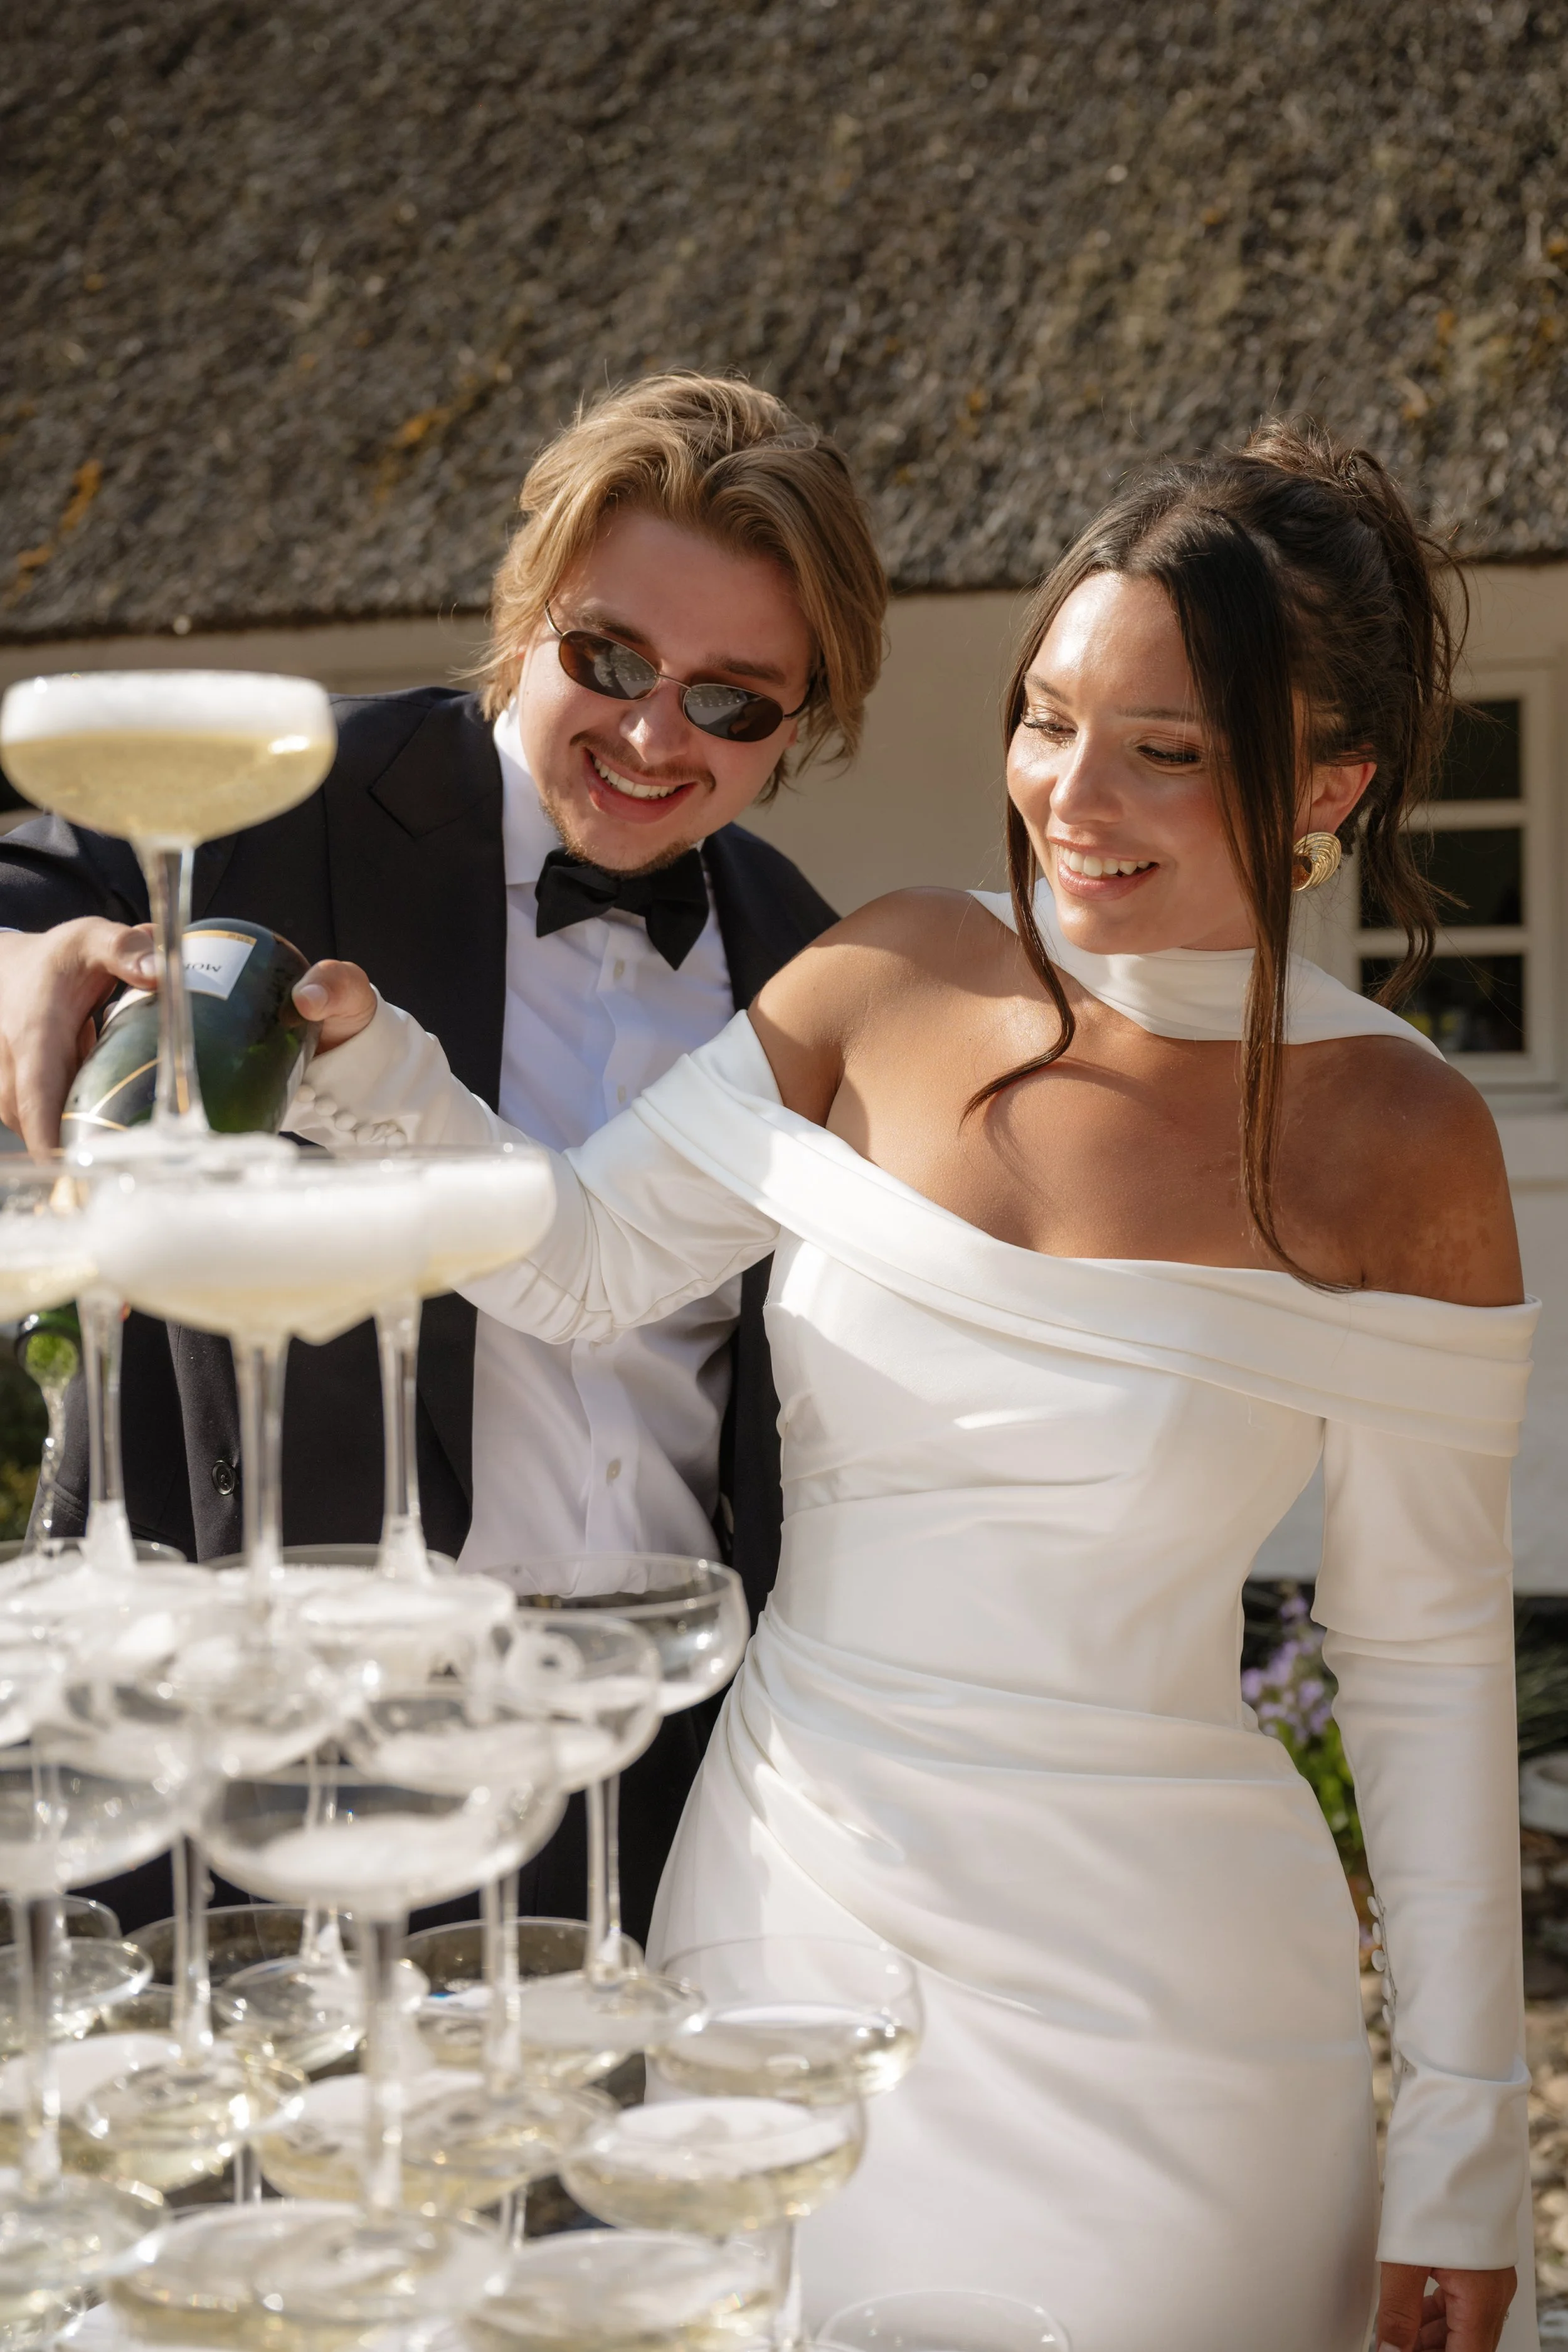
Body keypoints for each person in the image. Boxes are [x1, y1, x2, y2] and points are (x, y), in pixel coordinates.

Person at [285, 420, 1535, 2351]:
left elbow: (1426, 1655)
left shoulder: (1410, 1142)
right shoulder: (877, 976)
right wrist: (367, 1064)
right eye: (1045, 718)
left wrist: (1462, 2130)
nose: (1071, 797)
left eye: (1170, 750)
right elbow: (578, 1260)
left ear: (1334, 785)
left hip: (1175, 2006)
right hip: (783, 1927)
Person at [0, 372, 887, 1936]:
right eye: (608, 656)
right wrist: (25, 964)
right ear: (525, 609)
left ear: (798, 720)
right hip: (274, 1743)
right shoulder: (292, 806)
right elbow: (18, 897)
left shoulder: (798, 949)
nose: (648, 730)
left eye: (730, 699)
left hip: (649, 1765)